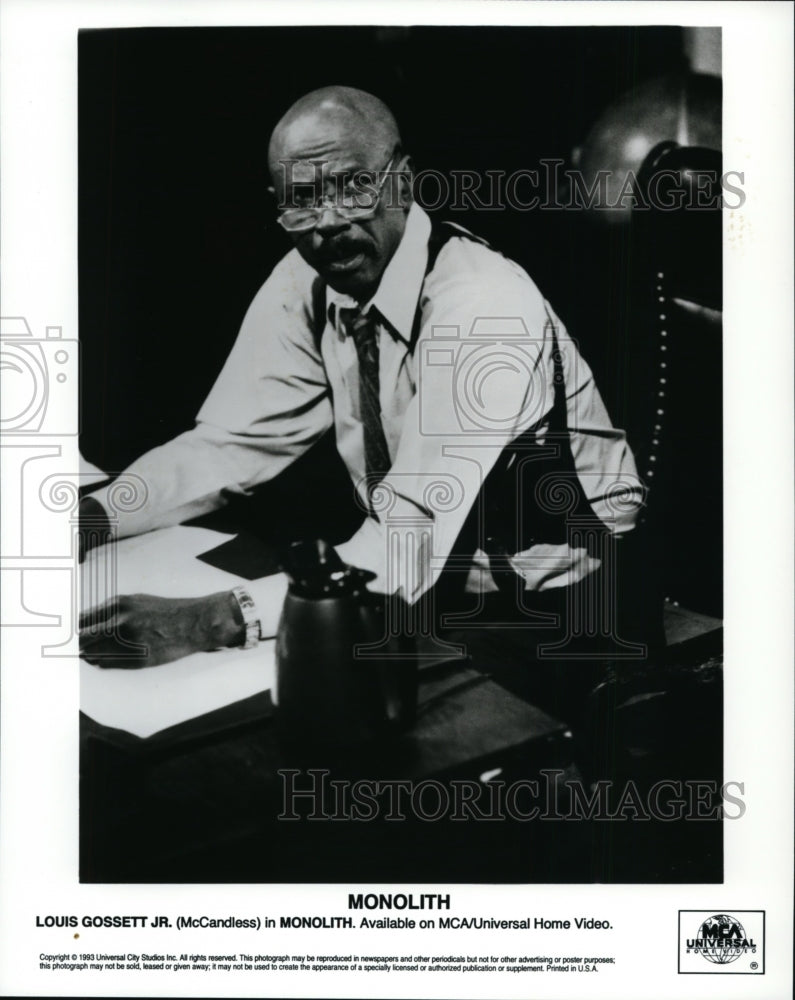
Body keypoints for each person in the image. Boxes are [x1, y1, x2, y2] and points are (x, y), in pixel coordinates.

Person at [79, 86, 646, 675]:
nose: (328, 223)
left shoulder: (484, 307)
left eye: (353, 187)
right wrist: (89, 520)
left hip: (564, 614)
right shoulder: (308, 279)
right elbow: (229, 446)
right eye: (302, 200)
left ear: (403, 180)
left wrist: (208, 621)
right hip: (421, 588)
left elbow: (410, 538)